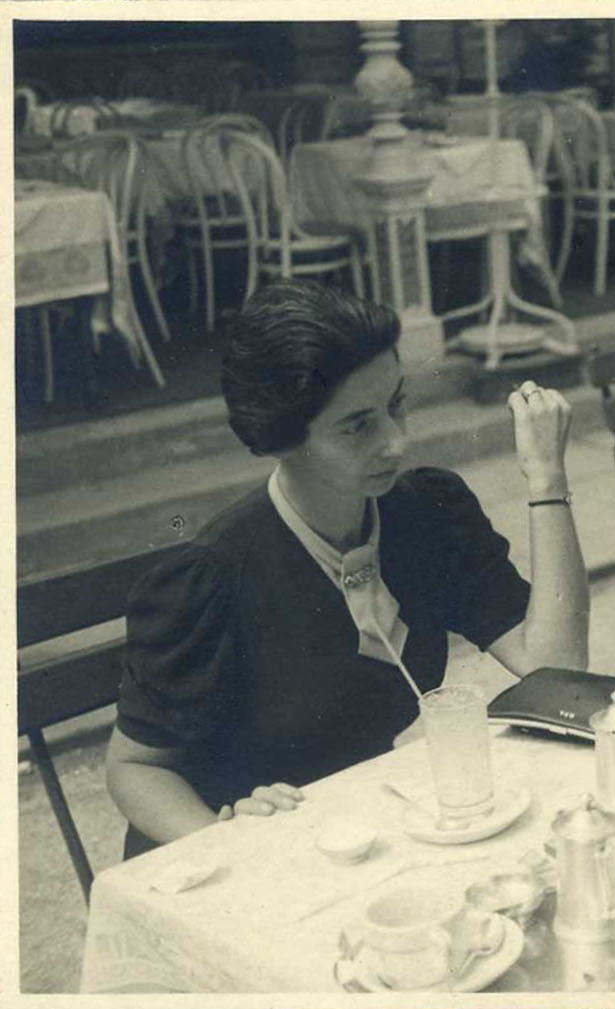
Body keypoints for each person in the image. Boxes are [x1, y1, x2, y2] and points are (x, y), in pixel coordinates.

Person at [106, 281, 589, 855]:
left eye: (396, 405)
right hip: (237, 854)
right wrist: (226, 840)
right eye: (357, 425)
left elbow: (557, 673)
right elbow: (133, 769)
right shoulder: (211, 578)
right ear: (283, 435)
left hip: (354, 835)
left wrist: (546, 480)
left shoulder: (427, 514)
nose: (396, 442)